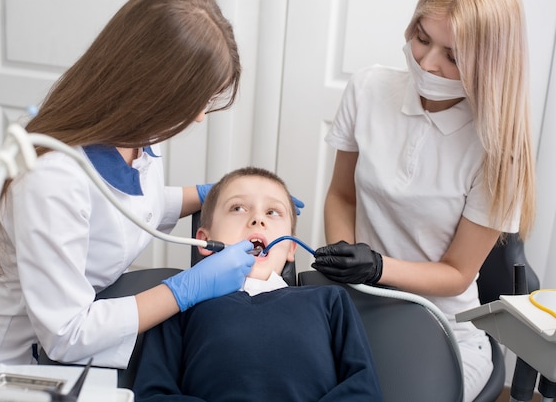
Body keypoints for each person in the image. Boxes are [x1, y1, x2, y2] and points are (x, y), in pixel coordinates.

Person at [0, 0, 260, 368]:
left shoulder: (136, 132)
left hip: (95, 330)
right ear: (154, 90)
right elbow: (66, 335)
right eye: (196, 100)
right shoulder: (51, 177)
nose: (200, 115)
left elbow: (127, 209)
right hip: (19, 365)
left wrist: (217, 196)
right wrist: (185, 290)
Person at [312, 0, 536, 401]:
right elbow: (341, 196)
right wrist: (345, 269)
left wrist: (377, 267)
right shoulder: (368, 89)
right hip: (356, 305)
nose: (427, 62)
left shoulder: (497, 152)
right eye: (421, 38)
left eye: (452, 56)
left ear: (488, 65)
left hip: (442, 324)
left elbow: (456, 274)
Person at [132, 167, 383, 402]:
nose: (257, 219)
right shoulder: (176, 305)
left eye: (273, 212)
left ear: (291, 247)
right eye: (238, 208)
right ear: (204, 241)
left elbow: (363, 389)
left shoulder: (330, 301)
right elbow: (155, 393)